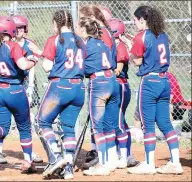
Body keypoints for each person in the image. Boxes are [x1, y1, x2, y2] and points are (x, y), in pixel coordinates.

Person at [119, 5, 183, 174]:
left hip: (149, 82)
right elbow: (150, 49)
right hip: (164, 81)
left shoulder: (142, 36)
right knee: (165, 123)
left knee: (148, 125)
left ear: (142, 20)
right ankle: (175, 162)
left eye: (136, 20)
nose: (135, 23)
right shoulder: (162, 35)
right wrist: (135, 43)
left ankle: (149, 164)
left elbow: (138, 61)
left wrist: (129, 48)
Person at [28, 10, 86, 179]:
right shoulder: (81, 41)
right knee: (68, 129)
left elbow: (47, 66)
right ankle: (68, 168)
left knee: (42, 122)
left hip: (60, 86)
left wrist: (41, 55)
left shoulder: (54, 40)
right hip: (78, 88)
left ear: (57, 23)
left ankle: (55, 156)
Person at [0, 16, 38, 173]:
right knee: (24, 128)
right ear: (10, 30)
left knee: (2, 126)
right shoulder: (13, 46)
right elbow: (23, 64)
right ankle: (27, 162)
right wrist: (34, 60)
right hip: (15, 90)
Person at [76, 16, 120, 176]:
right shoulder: (102, 43)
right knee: (109, 125)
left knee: (98, 127)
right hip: (112, 81)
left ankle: (102, 164)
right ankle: (110, 160)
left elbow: (83, 69)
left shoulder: (86, 45)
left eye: (79, 27)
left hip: (99, 83)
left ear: (83, 30)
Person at [9, 14, 43, 164]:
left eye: (21, 27)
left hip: (25, 83)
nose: (19, 30)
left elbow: (32, 64)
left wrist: (30, 86)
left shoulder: (28, 44)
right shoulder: (7, 43)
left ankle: (30, 152)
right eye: (16, 28)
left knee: (28, 119)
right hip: (10, 83)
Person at [108, 18, 138, 168]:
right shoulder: (114, 44)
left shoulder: (120, 46)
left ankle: (124, 156)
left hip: (120, 86)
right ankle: (126, 154)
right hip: (118, 86)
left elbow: (118, 70)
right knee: (120, 122)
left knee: (118, 121)